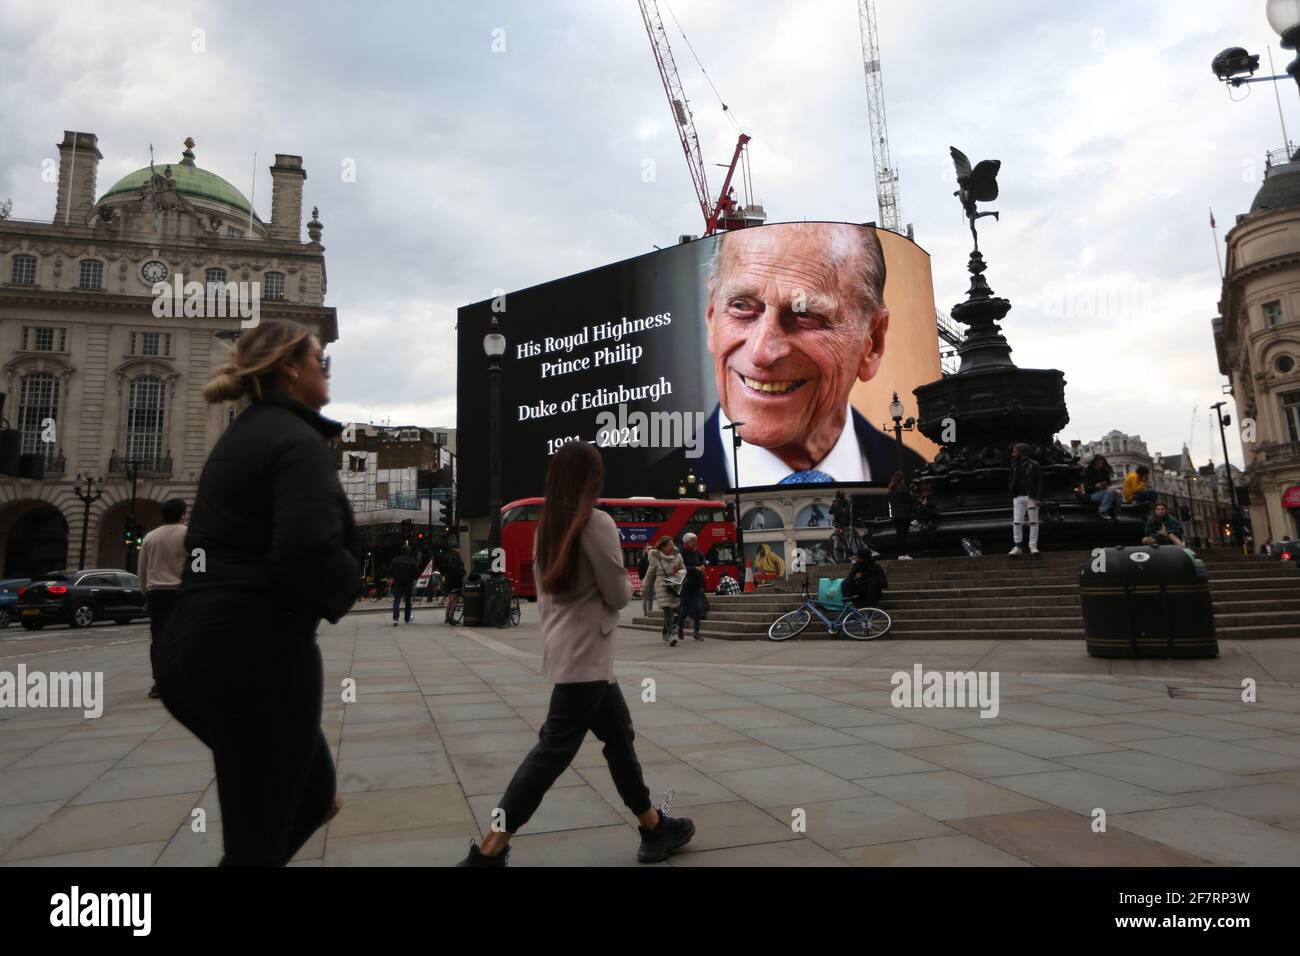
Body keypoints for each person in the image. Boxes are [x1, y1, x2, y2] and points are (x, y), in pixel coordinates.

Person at [155, 319, 358, 866]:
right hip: (257, 657)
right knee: (256, 845)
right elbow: (307, 550)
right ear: (291, 367)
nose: (325, 367)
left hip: (195, 651)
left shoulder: (244, 434)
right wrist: (350, 582)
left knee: (314, 797)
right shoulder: (298, 440)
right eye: (319, 357)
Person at [458, 441, 694, 866]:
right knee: (551, 753)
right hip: (587, 660)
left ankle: (654, 827)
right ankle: (489, 849)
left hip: (575, 656)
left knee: (618, 737)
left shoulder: (547, 527)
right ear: (592, 480)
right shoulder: (596, 522)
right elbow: (619, 594)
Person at [680, 223, 926, 488]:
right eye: (741, 307)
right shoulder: (650, 484)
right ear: (712, 317)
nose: (760, 353)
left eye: (805, 316)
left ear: (873, 342)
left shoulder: (922, 479)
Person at [138, 497, 188, 700]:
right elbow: (201, 557)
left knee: (158, 638)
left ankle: (159, 682)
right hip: (182, 592)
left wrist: (146, 590)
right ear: (183, 514)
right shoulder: (190, 534)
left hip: (157, 592)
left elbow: (142, 569)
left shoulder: (150, 537)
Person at [642, 534, 684, 646]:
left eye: (673, 544)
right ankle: (670, 635)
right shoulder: (655, 557)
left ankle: (665, 633)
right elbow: (650, 573)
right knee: (668, 611)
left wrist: (679, 573)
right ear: (663, 547)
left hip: (674, 584)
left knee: (673, 612)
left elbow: (683, 569)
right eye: (670, 545)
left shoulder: (678, 556)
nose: (672, 546)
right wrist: (644, 586)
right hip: (661, 586)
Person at [1008, 443, 1041, 556]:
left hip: (1031, 496)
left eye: (1015, 451)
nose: (1013, 453)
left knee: (1033, 522)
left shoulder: (1034, 465)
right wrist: (1012, 493)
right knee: (1017, 522)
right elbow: (1011, 479)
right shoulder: (1014, 465)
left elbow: (1039, 482)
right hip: (1018, 496)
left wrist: (1038, 497)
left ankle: (1032, 545)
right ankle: (1018, 546)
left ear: (1021, 452)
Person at [675, 532, 707, 642]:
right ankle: (679, 627)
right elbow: (681, 568)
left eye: (695, 541)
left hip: (697, 584)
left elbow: (702, 560)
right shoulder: (681, 554)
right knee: (685, 609)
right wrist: (695, 568)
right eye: (693, 541)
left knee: (698, 608)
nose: (695, 543)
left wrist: (703, 565)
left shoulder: (697, 552)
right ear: (687, 542)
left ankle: (696, 632)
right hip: (686, 584)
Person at [386, 544, 419, 626]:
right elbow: (417, 573)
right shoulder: (411, 560)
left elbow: (389, 571)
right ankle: (407, 618)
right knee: (408, 601)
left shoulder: (395, 560)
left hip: (397, 583)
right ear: (409, 552)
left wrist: (393, 577)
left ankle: (395, 619)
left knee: (396, 600)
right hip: (408, 583)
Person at [1083, 454, 1121, 521]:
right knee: (1111, 491)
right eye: (1098, 463)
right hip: (1092, 495)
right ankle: (1102, 511)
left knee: (1118, 493)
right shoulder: (1088, 471)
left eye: (1102, 463)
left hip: (1105, 492)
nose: (1100, 465)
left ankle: (1116, 513)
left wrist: (1115, 489)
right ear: (1094, 462)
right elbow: (1086, 488)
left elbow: (1109, 485)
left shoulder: (1104, 472)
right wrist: (1096, 486)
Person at [887, 471, 914, 560]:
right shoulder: (903, 488)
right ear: (902, 479)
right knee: (904, 535)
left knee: (899, 535)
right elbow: (910, 500)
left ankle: (900, 554)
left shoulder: (891, 490)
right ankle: (904, 553)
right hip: (904, 514)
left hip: (895, 515)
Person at [440, 543, 465, 623]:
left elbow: (442, 568)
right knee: (455, 599)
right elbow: (460, 568)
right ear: (457, 549)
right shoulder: (457, 556)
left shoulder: (446, 556)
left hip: (448, 580)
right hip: (456, 581)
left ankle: (447, 617)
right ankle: (451, 617)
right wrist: (464, 573)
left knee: (450, 598)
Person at [637, 543, 654, 617]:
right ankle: (645, 614)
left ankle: (650, 613)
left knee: (651, 598)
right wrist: (642, 580)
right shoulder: (643, 559)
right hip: (645, 581)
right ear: (645, 550)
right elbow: (640, 571)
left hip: (652, 581)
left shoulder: (653, 559)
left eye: (651, 548)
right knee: (645, 598)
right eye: (648, 549)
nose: (650, 550)